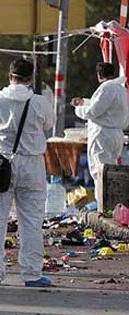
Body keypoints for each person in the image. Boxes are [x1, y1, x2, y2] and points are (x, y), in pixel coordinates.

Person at [0, 58, 55, 287]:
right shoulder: (40, 103)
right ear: (31, 78)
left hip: (0, 166)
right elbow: (48, 124)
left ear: (9, 75)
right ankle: (32, 273)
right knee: (31, 222)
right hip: (32, 165)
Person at [71, 62, 129, 208]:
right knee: (112, 173)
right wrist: (84, 101)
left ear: (99, 75)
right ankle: (113, 206)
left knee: (100, 172)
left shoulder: (106, 89)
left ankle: (103, 208)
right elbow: (103, 105)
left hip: (103, 135)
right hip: (116, 134)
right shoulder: (120, 89)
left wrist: (79, 108)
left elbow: (93, 112)